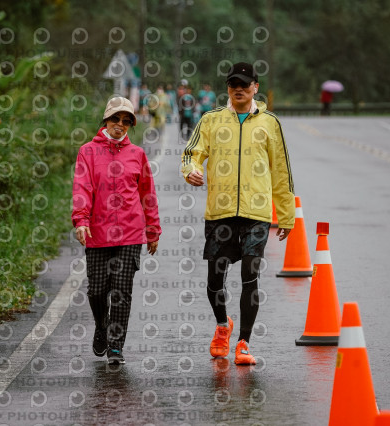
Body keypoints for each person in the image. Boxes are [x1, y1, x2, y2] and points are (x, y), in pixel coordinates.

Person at [180, 62, 295, 365]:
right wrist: (190, 170)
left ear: (256, 87)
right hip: (220, 212)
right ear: (227, 89)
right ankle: (222, 325)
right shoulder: (211, 120)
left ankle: (244, 343)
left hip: (257, 213)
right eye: (233, 84)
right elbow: (192, 153)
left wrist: (286, 215)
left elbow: (281, 171)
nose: (239, 89)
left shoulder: (270, 123)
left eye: (245, 84)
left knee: (249, 276)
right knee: (215, 278)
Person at [72, 96, 161, 365]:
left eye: (126, 121)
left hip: (130, 233)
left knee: (122, 291)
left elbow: (147, 194)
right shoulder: (88, 152)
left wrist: (153, 230)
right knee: (97, 291)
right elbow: (82, 187)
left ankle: (115, 346)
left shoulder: (137, 154)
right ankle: (102, 325)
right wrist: (81, 220)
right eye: (115, 119)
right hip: (97, 233)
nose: (120, 125)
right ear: (106, 120)